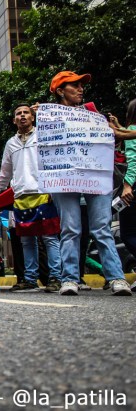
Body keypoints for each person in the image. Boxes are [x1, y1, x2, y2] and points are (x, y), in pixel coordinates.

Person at [45, 71, 131, 295]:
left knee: (101, 228)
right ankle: (70, 279)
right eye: (74, 85)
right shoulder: (49, 118)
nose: (81, 89)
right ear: (60, 91)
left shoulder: (94, 114)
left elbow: (117, 135)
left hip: (96, 176)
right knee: (70, 229)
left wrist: (116, 129)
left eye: (82, 85)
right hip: (64, 179)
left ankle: (117, 278)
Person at [0, 103, 62, 293]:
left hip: (44, 194)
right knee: (26, 240)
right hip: (21, 197)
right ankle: (30, 278)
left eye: (26, 113)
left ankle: (55, 277)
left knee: (50, 238)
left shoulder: (45, 136)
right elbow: (4, 174)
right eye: (18, 114)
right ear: (14, 120)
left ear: (33, 117)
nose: (22, 116)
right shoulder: (10, 144)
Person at [109, 99, 136, 291]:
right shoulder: (131, 130)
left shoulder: (132, 130)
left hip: (133, 188)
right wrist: (117, 126)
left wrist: (127, 186)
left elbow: (133, 161)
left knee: (128, 233)